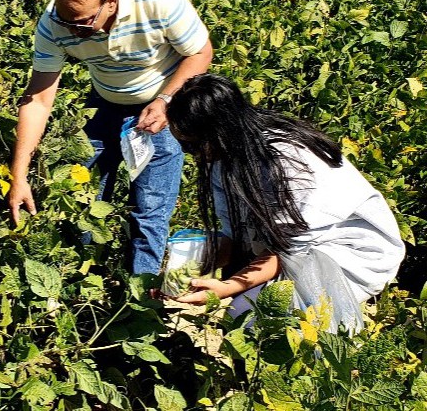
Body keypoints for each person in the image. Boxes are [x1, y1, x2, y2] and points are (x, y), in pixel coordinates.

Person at [7, 0, 213, 274]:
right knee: (80, 201)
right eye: (67, 22)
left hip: (159, 110)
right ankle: (77, 284)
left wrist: (166, 101)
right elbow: (38, 100)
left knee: (148, 212)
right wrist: (18, 175)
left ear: (111, 0)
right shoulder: (54, 23)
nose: (74, 33)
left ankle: (138, 304)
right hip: (103, 103)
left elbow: (200, 52)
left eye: (84, 23)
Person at [166, 74, 405, 328]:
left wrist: (225, 288)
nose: (186, 153)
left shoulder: (289, 161)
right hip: (293, 250)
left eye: (190, 145)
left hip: (349, 252)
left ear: (219, 131)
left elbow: (289, 250)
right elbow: (236, 237)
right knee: (245, 312)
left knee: (248, 316)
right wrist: (186, 275)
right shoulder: (222, 161)